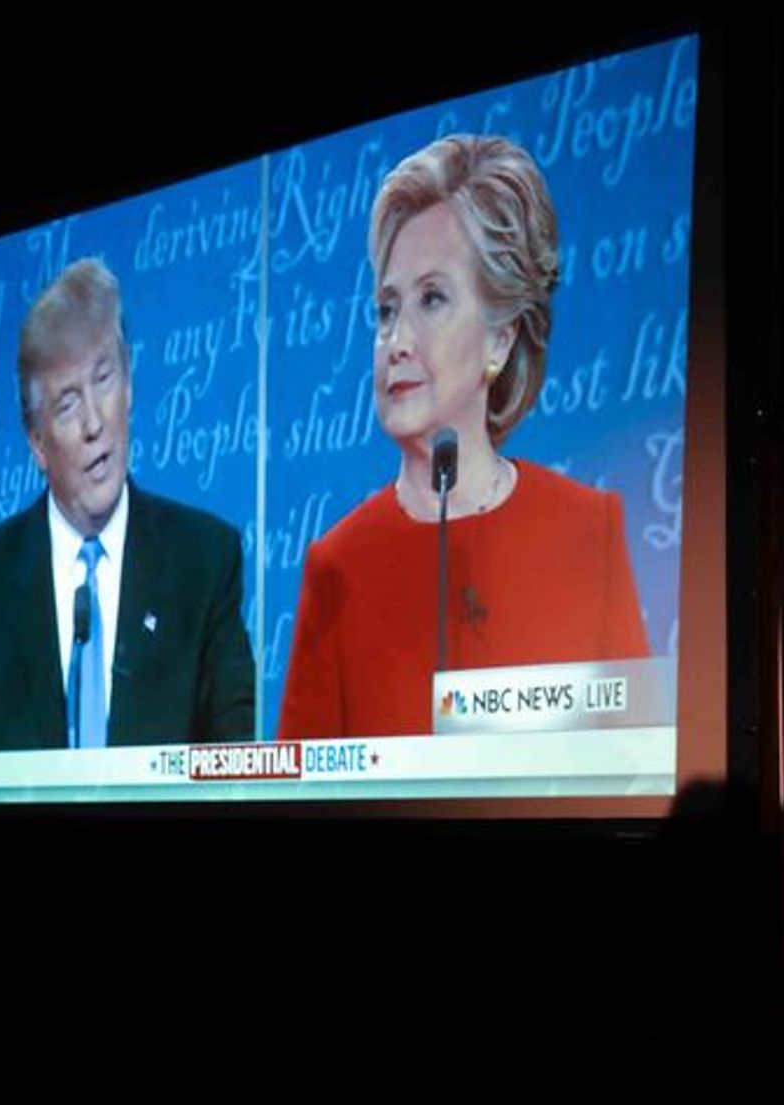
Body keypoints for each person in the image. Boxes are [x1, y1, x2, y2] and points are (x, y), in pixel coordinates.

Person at [278, 135, 649, 740]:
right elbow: (299, 807)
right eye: (386, 308)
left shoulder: (589, 530)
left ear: (500, 341)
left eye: (432, 299)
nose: (396, 340)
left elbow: (636, 772)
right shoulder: (337, 568)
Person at [0, 258, 255, 751]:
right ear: (36, 442)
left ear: (130, 385)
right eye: (68, 403)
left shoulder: (204, 563)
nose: (95, 423)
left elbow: (233, 758)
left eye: (104, 379)